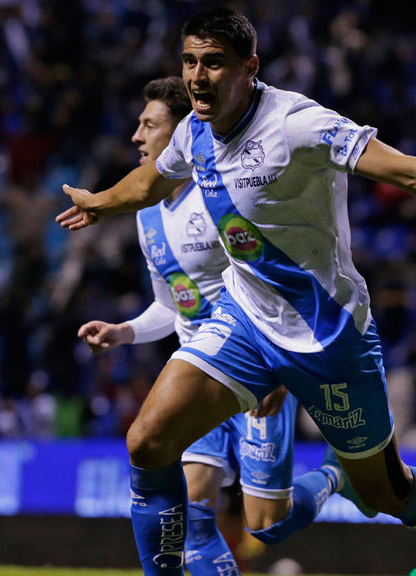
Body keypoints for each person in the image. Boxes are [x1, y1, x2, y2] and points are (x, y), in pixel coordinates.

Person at [57, 7, 416, 575]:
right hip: (243, 320)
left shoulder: (297, 123)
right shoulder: (193, 131)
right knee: (147, 441)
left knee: (385, 492)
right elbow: (151, 181)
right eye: (190, 62)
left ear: (250, 67)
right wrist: (100, 203)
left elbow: (408, 172)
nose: (197, 77)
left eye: (214, 63)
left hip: (328, 336)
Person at [75, 76, 358, 575]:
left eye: (149, 125)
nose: (137, 137)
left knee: (269, 524)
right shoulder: (145, 215)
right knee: (194, 512)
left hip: (254, 365)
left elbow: (273, 280)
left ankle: (337, 475)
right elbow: (172, 303)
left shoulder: (224, 192)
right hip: (197, 371)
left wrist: (278, 371)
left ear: (181, 130)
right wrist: (124, 331)